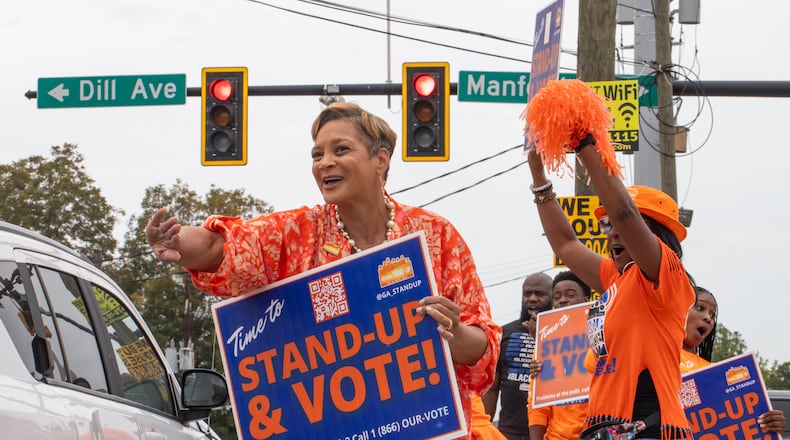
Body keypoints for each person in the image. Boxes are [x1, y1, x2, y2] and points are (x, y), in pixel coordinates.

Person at [145, 101, 502, 438]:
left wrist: (452, 333)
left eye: (340, 150)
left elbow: (483, 351)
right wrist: (179, 241)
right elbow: (219, 248)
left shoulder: (435, 235)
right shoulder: (298, 233)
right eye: (317, 155)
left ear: (380, 160)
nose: (324, 163)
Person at [525, 81, 695, 439]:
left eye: (620, 226)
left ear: (656, 236)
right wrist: (540, 181)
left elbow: (624, 214)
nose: (612, 233)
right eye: (608, 226)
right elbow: (565, 243)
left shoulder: (665, 277)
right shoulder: (614, 278)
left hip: (649, 427)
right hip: (605, 427)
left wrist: (587, 143)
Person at [681, 286, 786, 435]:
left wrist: (768, 423)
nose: (708, 318)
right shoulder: (655, 354)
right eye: (700, 308)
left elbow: (726, 421)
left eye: (712, 314)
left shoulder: (712, 371)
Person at [482, 272, 553, 440]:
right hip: (508, 431)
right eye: (527, 294)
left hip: (549, 432)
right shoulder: (503, 333)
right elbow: (492, 389)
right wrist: (484, 430)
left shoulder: (562, 334)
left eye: (540, 294)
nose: (532, 298)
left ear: (552, 297)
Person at [527, 270, 592, 440]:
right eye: (557, 297)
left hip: (598, 433)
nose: (562, 300)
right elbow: (537, 407)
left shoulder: (601, 337)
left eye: (570, 295)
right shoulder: (544, 347)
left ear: (586, 300)